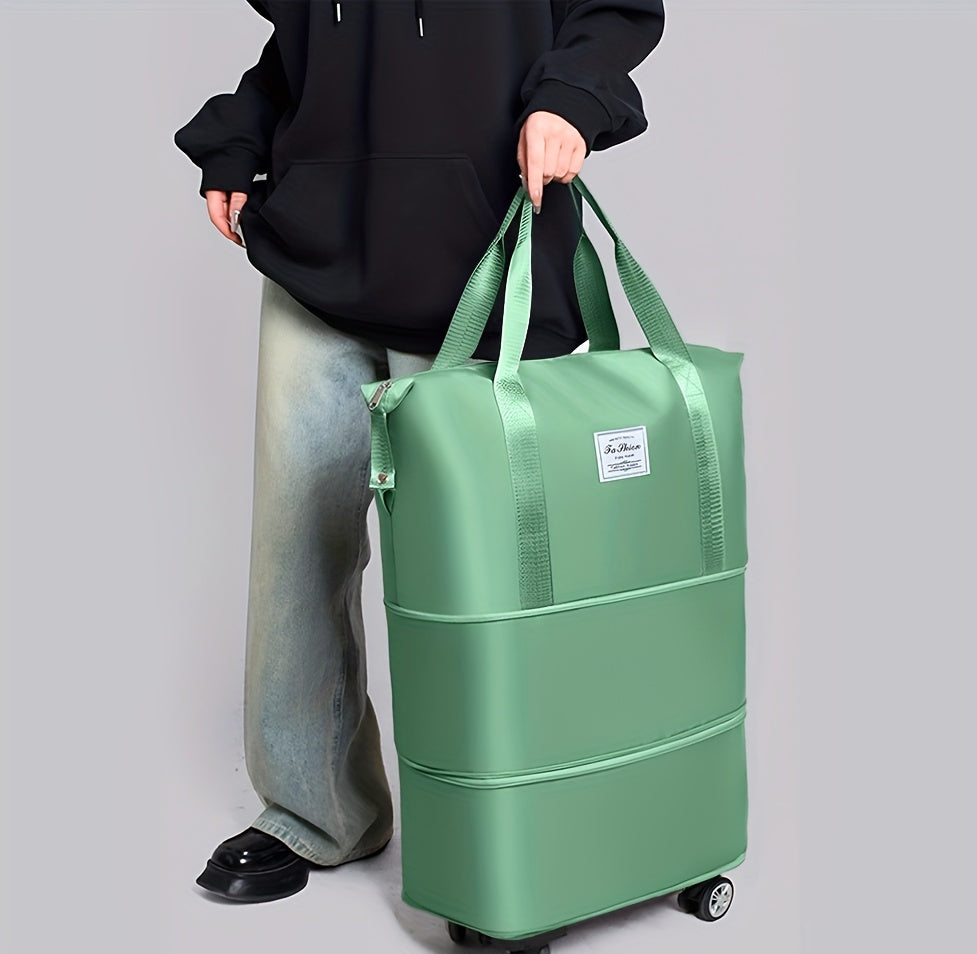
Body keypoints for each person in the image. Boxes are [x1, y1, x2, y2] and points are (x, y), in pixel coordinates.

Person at [174, 0, 665, 903]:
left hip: (478, 257)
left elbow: (616, 9)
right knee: (297, 548)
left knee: (486, 578)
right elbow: (309, 46)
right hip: (317, 257)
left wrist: (571, 98)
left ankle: (510, 829)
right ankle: (315, 812)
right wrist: (242, 134)